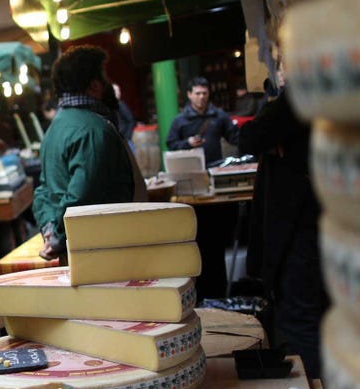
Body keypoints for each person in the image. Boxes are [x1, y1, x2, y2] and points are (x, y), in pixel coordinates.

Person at [238, 57, 328, 381]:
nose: (280, 72)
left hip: (299, 224)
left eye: (283, 64)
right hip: (326, 219)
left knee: (302, 318)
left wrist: (274, 137)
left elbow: (248, 137)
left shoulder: (303, 93)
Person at [34, 46, 140, 261]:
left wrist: (51, 230)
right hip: (103, 252)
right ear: (94, 85)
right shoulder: (94, 130)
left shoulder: (55, 128)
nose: (109, 82)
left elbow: (42, 191)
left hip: (78, 252)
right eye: (105, 75)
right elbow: (82, 197)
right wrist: (58, 236)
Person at [166, 76, 239, 165]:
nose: (201, 97)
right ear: (189, 94)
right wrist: (188, 143)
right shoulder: (180, 120)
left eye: (205, 93)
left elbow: (234, 137)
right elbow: (171, 144)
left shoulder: (218, 115)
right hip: (190, 167)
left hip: (215, 165)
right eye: (198, 93)